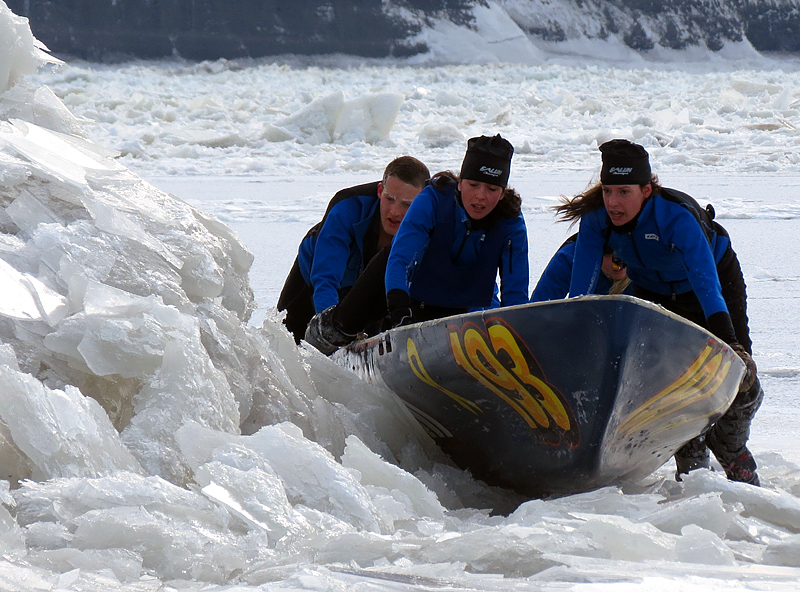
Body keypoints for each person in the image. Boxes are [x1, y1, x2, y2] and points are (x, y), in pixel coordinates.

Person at [557, 138, 763, 485]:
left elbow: (707, 285)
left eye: (624, 192)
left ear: (647, 190)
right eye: (608, 191)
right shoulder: (597, 222)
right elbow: (581, 293)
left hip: (711, 282)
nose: (613, 203)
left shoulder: (675, 217)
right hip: (655, 292)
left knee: (740, 377)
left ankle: (733, 449)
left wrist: (729, 341)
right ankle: (692, 466)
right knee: (670, 378)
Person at [305, 134, 529, 354]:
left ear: (502, 194)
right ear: (460, 184)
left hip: (452, 300)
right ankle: (318, 342)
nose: (480, 196)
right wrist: (400, 308)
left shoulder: (510, 223)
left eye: (491, 189)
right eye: (473, 184)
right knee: (344, 325)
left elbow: (515, 295)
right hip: (400, 283)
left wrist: (513, 337)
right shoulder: (433, 198)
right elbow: (399, 260)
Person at [277, 156, 430, 342]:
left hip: (370, 288)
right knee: (285, 341)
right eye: (390, 199)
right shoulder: (347, 208)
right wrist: (331, 334)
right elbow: (325, 280)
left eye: (407, 204)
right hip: (315, 278)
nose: (395, 212)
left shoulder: (429, 220)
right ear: (380, 191)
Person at [530, 233, 632, 302]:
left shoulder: (645, 265)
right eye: (608, 251)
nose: (617, 263)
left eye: (625, 251)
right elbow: (536, 313)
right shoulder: (571, 258)